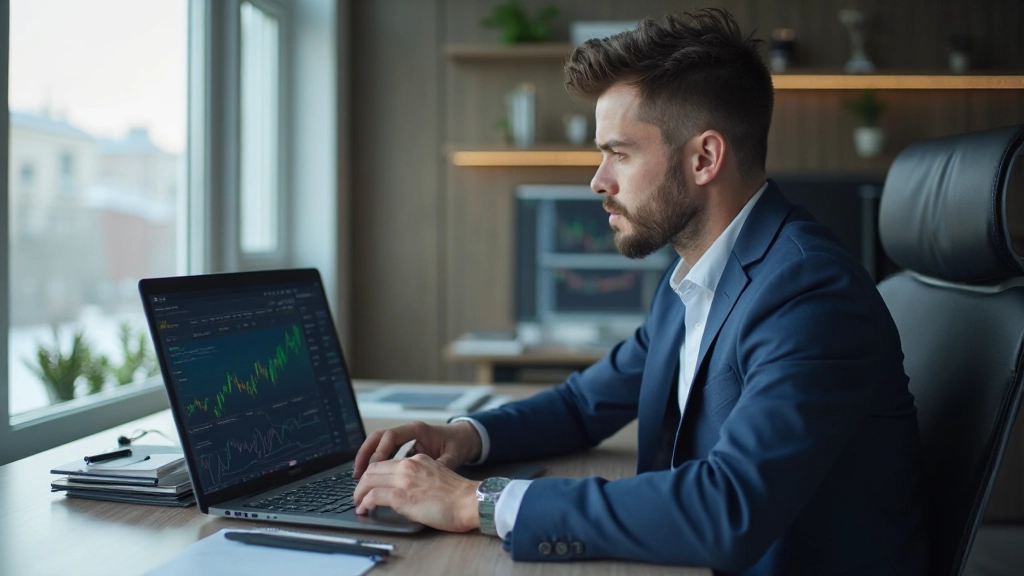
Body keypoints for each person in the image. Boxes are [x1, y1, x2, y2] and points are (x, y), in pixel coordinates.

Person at [352, 8, 928, 575]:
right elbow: (583, 404)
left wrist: (472, 502)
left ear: (704, 157)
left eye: (619, 154)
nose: (598, 182)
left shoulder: (808, 293)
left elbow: (727, 509)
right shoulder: (696, 277)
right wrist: (463, 437)